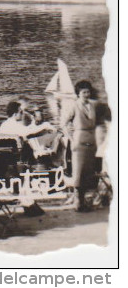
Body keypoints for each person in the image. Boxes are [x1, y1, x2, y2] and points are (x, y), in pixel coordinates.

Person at [62, 80, 99, 212]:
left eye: (88, 92)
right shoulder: (74, 106)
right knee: (78, 172)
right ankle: (78, 201)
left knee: (89, 171)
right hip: (79, 140)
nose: (86, 94)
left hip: (92, 140)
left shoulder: (93, 105)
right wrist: (71, 139)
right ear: (78, 93)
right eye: (83, 92)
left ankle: (85, 201)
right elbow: (63, 124)